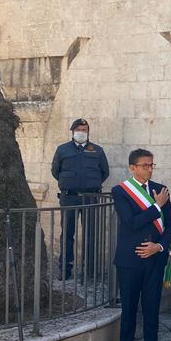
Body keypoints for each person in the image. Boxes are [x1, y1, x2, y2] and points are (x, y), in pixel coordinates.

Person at [111, 148, 171, 341]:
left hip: (154, 260)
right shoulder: (120, 191)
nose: (149, 169)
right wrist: (156, 207)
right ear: (133, 168)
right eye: (145, 165)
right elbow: (131, 223)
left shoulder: (161, 190)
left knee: (151, 311)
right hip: (130, 261)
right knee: (129, 312)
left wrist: (159, 247)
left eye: (151, 165)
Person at [50, 118, 109, 279]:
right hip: (69, 197)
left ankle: (89, 270)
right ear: (72, 132)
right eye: (78, 130)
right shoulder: (62, 150)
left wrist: (90, 185)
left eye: (84, 130)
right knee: (67, 234)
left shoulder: (97, 150)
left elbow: (104, 172)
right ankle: (65, 270)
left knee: (91, 234)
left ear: (88, 132)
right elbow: (55, 171)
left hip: (91, 198)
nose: (81, 132)